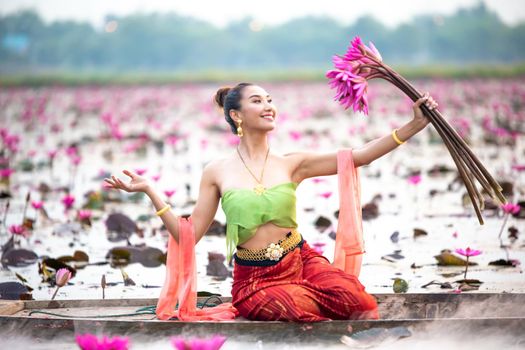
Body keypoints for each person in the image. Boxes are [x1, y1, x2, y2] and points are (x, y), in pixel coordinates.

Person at [104, 82, 437, 322]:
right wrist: (150, 191)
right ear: (236, 115)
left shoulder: (292, 162)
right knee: (295, 308)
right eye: (257, 101)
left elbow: (359, 156)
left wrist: (414, 125)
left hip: (301, 259)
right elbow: (186, 234)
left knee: (359, 300)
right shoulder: (216, 171)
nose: (268, 106)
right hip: (255, 279)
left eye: (270, 99)